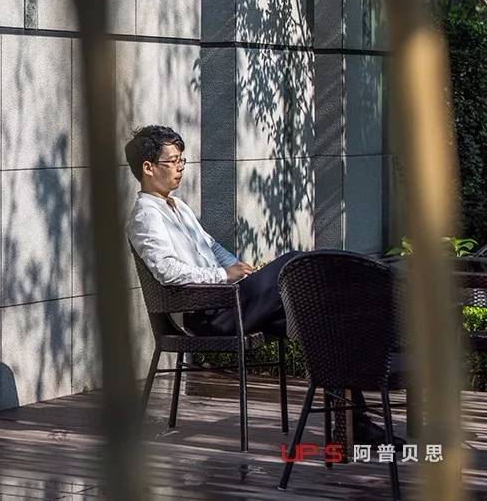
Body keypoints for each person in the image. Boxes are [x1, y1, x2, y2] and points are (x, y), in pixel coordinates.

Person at [123, 124, 401, 445]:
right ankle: (365, 284)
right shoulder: (146, 216)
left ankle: (354, 423)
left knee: (321, 323)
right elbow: (167, 272)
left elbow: (212, 246)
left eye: (182, 160)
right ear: (148, 167)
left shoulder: (178, 207)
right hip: (207, 314)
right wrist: (224, 276)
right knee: (293, 262)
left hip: (228, 302)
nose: (180, 168)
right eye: (173, 161)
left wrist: (238, 268)